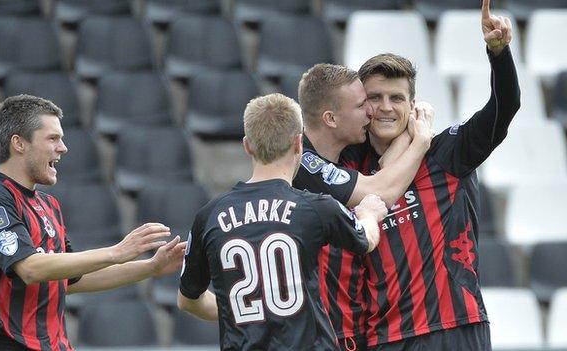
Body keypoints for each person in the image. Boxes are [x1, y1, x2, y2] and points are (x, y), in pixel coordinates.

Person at [349, 0, 519, 349]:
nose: (385, 107)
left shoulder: (447, 152)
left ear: (412, 106)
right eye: (375, 97)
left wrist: (499, 55)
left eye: (396, 97)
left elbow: (504, 109)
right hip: (385, 337)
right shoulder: (350, 171)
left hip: (455, 328)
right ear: (363, 105)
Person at [0, 94, 187, 351]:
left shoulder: (49, 205)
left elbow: (72, 280)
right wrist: (117, 252)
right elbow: (30, 268)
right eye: (53, 138)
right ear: (19, 143)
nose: (63, 147)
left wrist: (151, 267)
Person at [177, 93, 388, 350]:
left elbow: (188, 300)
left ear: (247, 146)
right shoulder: (315, 207)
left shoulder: (208, 216)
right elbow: (366, 239)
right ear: (299, 144)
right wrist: (368, 213)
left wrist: (243, 310)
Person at [292, 61, 434, 349]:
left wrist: (404, 135)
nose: (371, 111)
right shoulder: (301, 163)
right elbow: (378, 192)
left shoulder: (345, 155)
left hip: (350, 329)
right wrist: (419, 140)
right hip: (313, 335)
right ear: (331, 119)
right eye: (361, 105)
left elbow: (380, 175)